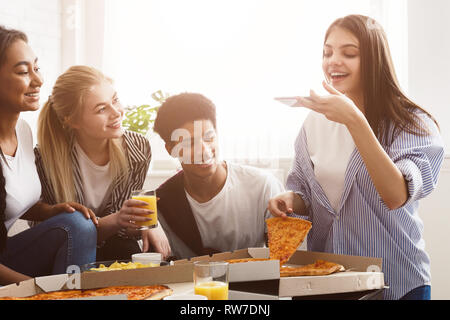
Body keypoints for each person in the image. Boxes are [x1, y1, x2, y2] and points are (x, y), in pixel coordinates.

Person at [268, 15, 444, 300]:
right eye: (327, 52)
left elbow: (397, 195)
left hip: (396, 281)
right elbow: (305, 191)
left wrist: (355, 120)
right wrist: (292, 199)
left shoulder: (411, 122)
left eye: (348, 53)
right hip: (330, 282)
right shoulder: (314, 123)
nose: (333, 61)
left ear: (375, 60)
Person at [35, 65, 169, 261]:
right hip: (64, 253)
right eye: (101, 109)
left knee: (138, 253)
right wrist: (118, 220)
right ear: (72, 120)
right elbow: (60, 237)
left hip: (115, 246)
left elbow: (123, 232)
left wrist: (148, 223)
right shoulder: (45, 159)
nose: (116, 113)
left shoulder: (137, 149)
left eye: (115, 100)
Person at [0, 26, 97, 285]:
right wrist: (39, 289)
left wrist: (50, 211)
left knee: (77, 223)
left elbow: (8, 200)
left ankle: (73, 292)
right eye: (22, 71)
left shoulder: (23, 131)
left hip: (5, 254)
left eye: (36, 68)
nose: (38, 80)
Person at [149, 92, 285, 259]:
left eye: (209, 138)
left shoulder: (262, 186)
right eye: (190, 143)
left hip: (253, 284)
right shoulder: (162, 203)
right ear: (170, 149)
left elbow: (283, 260)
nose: (204, 151)